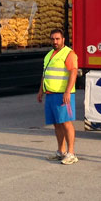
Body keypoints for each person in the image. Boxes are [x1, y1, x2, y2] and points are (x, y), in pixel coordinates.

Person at [37, 28, 79, 165]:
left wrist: (67, 92)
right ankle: (61, 151)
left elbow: (73, 73)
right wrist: (40, 90)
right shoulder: (49, 54)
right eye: (53, 39)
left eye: (57, 39)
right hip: (50, 94)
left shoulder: (69, 54)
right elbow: (45, 74)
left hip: (63, 95)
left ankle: (71, 153)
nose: (55, 41)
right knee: (57, 124)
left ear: (63, 40)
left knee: (66, 122)